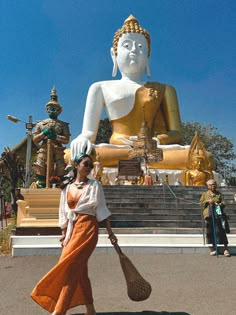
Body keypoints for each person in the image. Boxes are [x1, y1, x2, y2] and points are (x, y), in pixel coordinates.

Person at [70, 15, 185, 169]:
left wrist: (156, 141)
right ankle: (136, 161)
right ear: (114, 54)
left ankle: (138, 160)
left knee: (197, 157)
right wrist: (83, 139)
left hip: (152, 148)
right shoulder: (99, 87)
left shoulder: (165, 89)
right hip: (118, 148)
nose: (133, 51)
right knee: (81, 154)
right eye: (127, 45)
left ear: (148, 56)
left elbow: (177, 134)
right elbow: (89, 132)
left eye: (140, 47)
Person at [31, 153, 118, 315]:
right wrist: (64, 234)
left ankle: (59, 310)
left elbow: (102, 210)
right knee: (79, 269)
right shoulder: (67, 187)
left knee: (70, 268)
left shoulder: (95, 185)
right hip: (72, 230)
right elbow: (63, 212)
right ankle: (90, 308)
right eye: (86, 164)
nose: (89, 168)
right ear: (77, 165)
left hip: (88, 229)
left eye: (91, 165)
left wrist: (110, 233)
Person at [33, 87, 71, 188]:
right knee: (40, 163)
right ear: (47, 109)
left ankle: (59, 182)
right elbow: (35, 139)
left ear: (59, 111)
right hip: (44, 147)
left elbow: (66, 140)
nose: (52, 110)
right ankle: (41, 182)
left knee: (60, 165)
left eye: (54, 108)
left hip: (57, 148)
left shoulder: (63, 125)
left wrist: (56, 137)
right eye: (50, 108)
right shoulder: (41, 124)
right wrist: (43, 134)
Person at [200, 179, 230, 257]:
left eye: (214, 184)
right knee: (210, 232)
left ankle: (226, 249)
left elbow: (223, 203)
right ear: (208, 186)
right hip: (209, 215)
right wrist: (207, 201)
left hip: (218, 215)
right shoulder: (204, 194)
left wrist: (218, 203)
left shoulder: (219, 194)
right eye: (212, 185)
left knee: (221, 231)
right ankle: (213, 248)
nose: (213, 186)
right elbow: (201, 203)